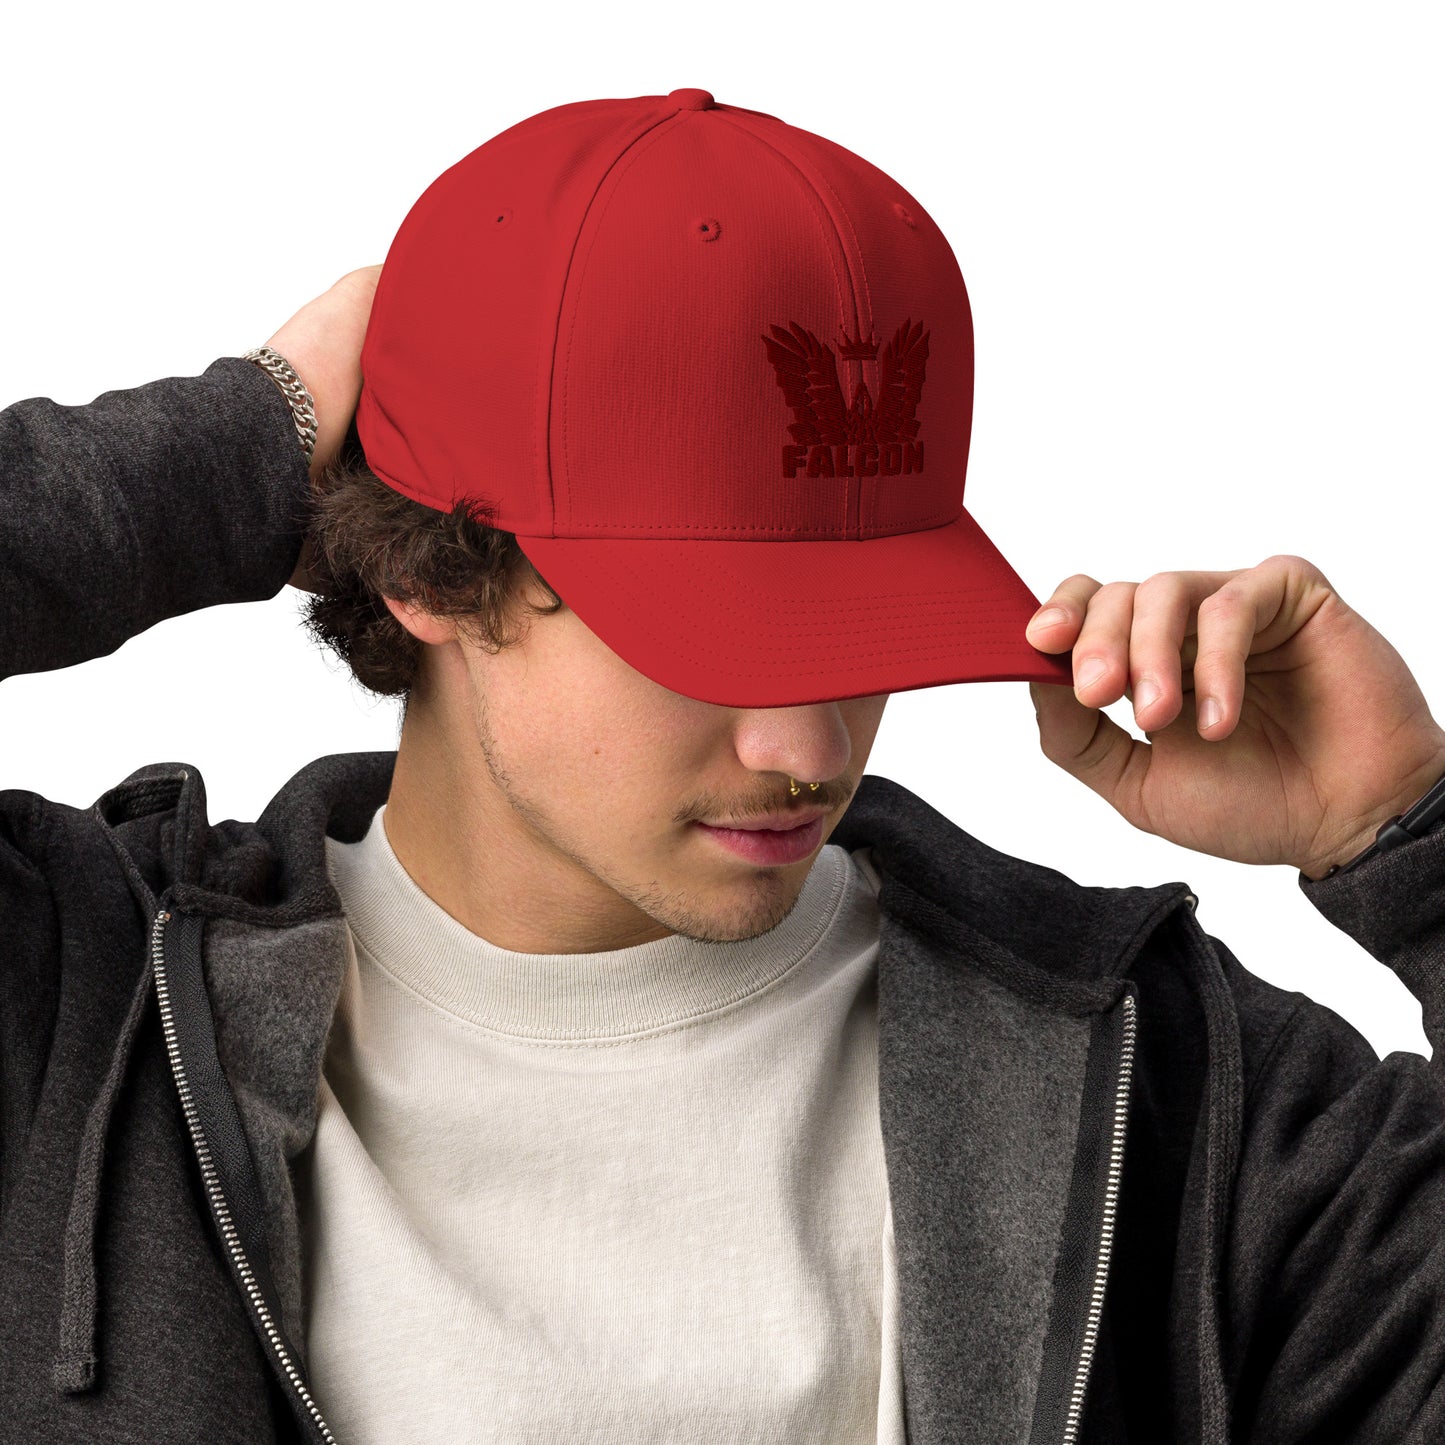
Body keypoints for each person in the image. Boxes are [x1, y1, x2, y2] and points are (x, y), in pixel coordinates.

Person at [3, 88, 1444, 1445]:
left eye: (866, 633)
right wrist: (236, 447)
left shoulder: (1163, 1080)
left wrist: (1408, 839)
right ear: (428, 568)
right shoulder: (82, 1015)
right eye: (704, 643)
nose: (807, 750)